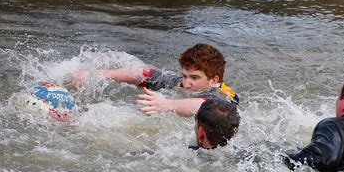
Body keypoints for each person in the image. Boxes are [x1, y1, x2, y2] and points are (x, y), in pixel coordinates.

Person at [71, 43, 239, 117]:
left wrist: (168, 105)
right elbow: (143, 74)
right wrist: (97, 74)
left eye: (194, 78)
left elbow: (207, 106)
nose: (187, 83)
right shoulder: (180, 83)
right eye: (185, 75)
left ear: (213, 79)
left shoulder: (223, 96)